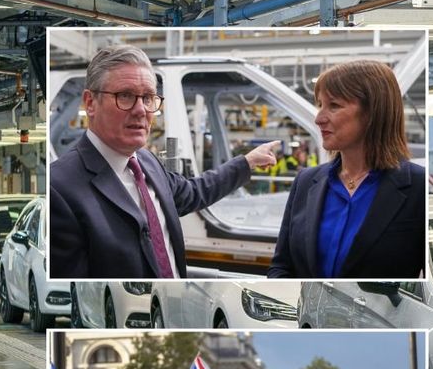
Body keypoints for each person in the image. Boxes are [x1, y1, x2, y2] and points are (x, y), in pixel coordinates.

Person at [50, 45, 279, 279]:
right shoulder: (59, 187)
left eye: (148, 98)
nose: (141, 110)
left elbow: (193, 191)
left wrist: (247, 163)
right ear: (90, 103)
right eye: (125, 96)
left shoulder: (147, 163)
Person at [268, 60, 425, 279]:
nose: (319, 118)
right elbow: (281, 266)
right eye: (320, 105)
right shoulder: (306, 182)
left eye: (334, 106)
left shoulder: (418, 188)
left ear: (373, 112)